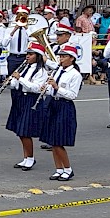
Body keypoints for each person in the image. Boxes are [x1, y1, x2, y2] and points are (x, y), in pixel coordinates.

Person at [39, 44, 84, 181]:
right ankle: (59, 169)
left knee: (59, 141)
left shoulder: (75, 75)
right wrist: (45, 89)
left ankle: (68, 169)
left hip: (64, 106)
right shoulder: (58, 70)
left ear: (72, 58)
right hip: (53, 103)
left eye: (64, 57)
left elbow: (72, 95)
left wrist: (57, 87)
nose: (61, 59)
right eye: (61, 56)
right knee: (52, 140)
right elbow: (52, 89)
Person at [5, 43, 49, 171]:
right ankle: (26, 158)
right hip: (20, 99)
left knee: (25, 131)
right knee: (20, 131)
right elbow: (15, 84)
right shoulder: (24, 67)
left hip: (31, 100)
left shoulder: (41, 71)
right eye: (27, 54)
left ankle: (30, 158)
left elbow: (36, 88)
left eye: (30, 54)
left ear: (38, 56)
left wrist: (20, 79)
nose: (27, 56)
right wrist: (10, 82)